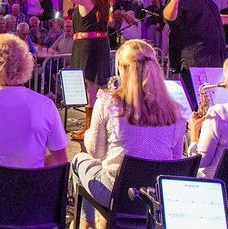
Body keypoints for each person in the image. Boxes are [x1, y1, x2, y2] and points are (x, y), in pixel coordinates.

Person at [72, 40, 186, 228]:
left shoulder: (109, 103)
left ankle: (87, 222)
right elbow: (175, 159)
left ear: (122, 69)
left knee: (79, 159)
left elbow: (96, 153)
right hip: (156, 195)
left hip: (118, 192)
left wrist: (89, 133)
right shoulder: (176, 112)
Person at [24, 0, 115, 141]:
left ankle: (90, 128)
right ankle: (95, 126)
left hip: (87, 45)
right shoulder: (105, 0)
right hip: (99, 43)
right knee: (94, 87)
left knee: (90, 87)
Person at [0, 34, 68, 168]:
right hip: (33, 186)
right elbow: (60, 160)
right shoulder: (46, 105)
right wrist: (35, 162)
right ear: (27, 64)